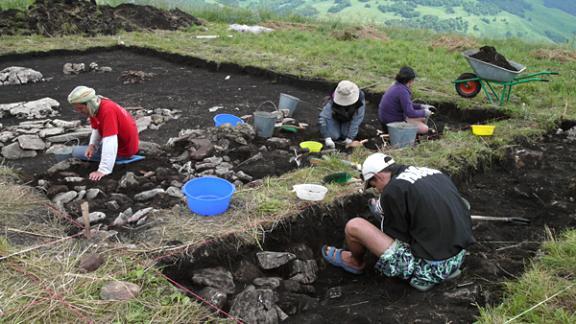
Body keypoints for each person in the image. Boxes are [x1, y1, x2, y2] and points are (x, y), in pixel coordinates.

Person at [322, 152, 475, 292]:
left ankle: (355, 262)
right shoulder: (433, 173)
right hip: (458, 257)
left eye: (374, 185)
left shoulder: (393, 191)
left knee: (354, 226)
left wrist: (384, 214)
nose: (377, 191)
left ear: (378, 176)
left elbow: (398, 238)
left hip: (431, 269)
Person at [67, 86, 139, 181]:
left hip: (124, 151)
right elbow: (96, 128)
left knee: (75, 152)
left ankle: (114, 161)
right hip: (126, 143)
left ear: (88, 104)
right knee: (87, 146)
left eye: (80, 108)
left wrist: (103, 170)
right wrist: (92, 146)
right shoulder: (96, 106)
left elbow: (110, 141)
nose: (80, 112)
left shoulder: (107, 111)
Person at [378, 66, 435, 134]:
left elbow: (407, 105)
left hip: (386, 120)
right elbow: (410, 113)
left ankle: (409, 131)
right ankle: (404, 135)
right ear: (410, 80)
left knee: (422, 119)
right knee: (424, 129)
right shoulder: (403, 91)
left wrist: (421, 106)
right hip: (391, 124)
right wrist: (424, 112)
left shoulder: (397, 86)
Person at [318, 80, 366, 149]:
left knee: (345, 135)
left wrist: (350, 137)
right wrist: (327, 137)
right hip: (334, 117)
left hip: (349, 119)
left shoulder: (360, 99)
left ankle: (344, 130)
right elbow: (323, 117)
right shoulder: (332, 99)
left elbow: (357, 119)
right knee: (334, 136)